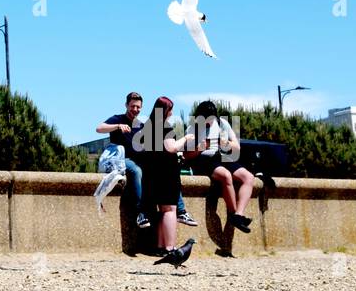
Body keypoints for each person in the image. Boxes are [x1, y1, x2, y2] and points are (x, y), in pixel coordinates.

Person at [96, 92, 197, 229]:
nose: (135, 110)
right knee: (136, 171)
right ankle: (141, 213)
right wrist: (118, 126)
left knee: (167, 171)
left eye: (138, 107)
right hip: (123, 159)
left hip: (141, 157)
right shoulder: (117, 119)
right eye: (132, 106)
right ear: (126, 105)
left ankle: (181, 211)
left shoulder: (142, 125)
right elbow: (99, 128)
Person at [189, 100, 256, 233]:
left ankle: (239, 214)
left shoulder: (222, 123)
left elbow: (237, 147)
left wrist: (225, 143)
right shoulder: (193, 127)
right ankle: (232, 213)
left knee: (248, 177)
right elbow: (187, 155)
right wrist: (203, 146)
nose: (208, 123)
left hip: (223, 156)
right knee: (226, 176)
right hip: (205, 158)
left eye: (211, 119)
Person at [137, 96, 185, 256]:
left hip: (152, 173)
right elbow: (171, 148)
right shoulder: (165, 127)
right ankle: (170, 248)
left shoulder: (148, 126)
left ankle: (160, 247)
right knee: (170, 210)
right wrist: (185, 139)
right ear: (165, 111)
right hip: (167, 173)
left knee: (162, 210)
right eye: (170, 109)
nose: (171, 113)